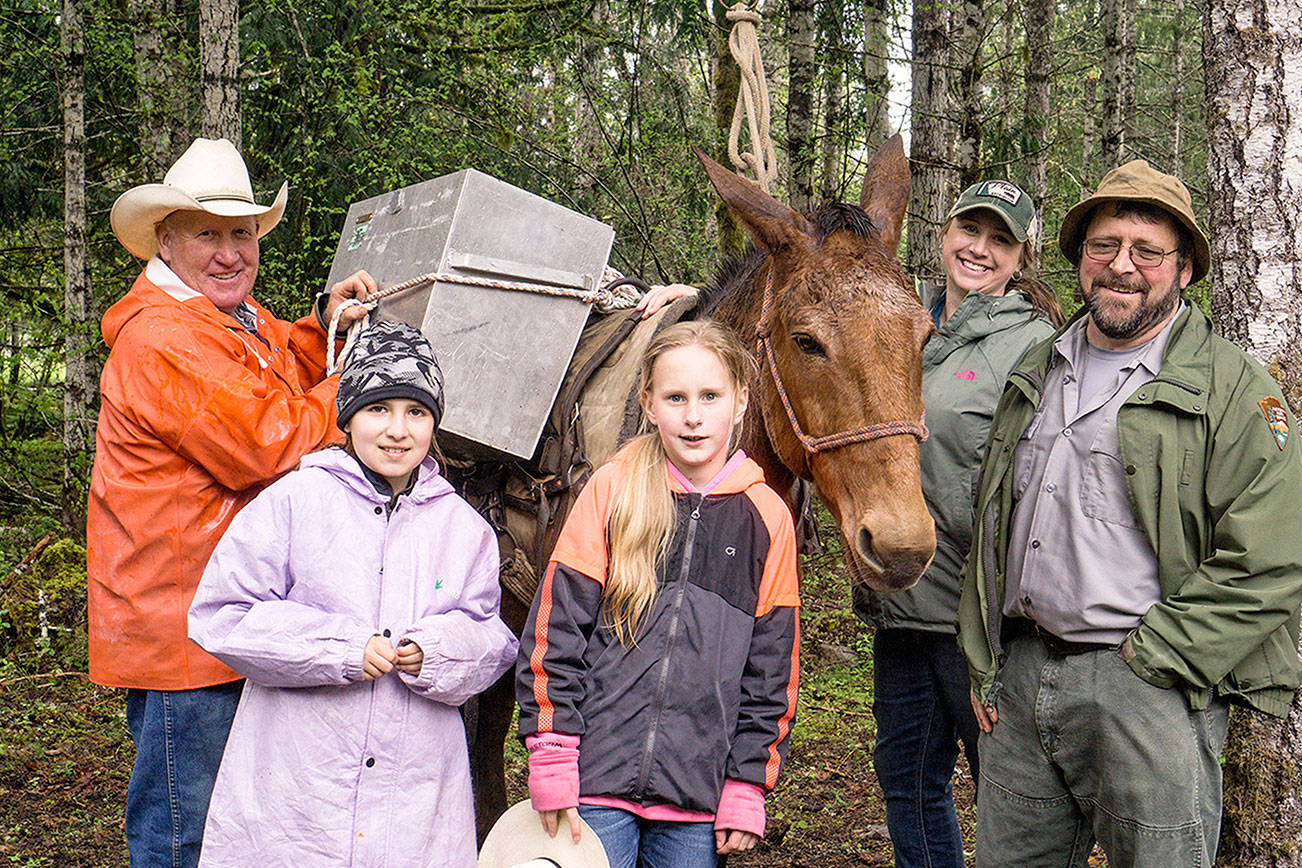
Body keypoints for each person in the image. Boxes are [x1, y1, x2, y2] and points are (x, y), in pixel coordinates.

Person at [957, 160, 1302, 866]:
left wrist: (1163, 656)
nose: (1122, 266)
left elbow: (1274, 555)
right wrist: (986, 657)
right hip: (1022, 681)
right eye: (1103, 245)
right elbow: (992, 521)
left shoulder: (1233, 390)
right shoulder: (1037, 365)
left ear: (1184, 271)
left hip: (1147, 691)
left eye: (1147, 251)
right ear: (1080, 258)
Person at [86, 137, 375, 866]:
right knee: (188, 826)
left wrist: (325, 323)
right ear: (167, 239)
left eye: (240, 234)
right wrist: (369, 384)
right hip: (184, 624)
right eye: (207, 234)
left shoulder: (228, 319)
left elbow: (281, 361)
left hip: (219, 609)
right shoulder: (162, 338)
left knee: (233, 818)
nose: (228, 253)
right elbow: (268, 440)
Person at [188, 321, 519, 866]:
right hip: (301, 787)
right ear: (347, 418)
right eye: (378, 409)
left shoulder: (465, 529)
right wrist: (339, 647)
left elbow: (492, 640)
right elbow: (222, 614)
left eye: (416, 412)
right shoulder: (294, 501)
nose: (398, 430)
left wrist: (435, 652)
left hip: (414, 793)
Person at [516, 320, 800, 868]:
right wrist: (551, 752)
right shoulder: (613, 489)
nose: (693, 416)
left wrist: (748, 784)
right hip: (595, 786)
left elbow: (772, 673)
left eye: (710, 397)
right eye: (676, 398)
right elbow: (556, 632)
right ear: (648, 403)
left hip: (698, 801)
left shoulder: (768, 518)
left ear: (740, 403)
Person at [852, 180, 1062, 868]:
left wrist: (1002, 631)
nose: (979, 249)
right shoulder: (902, 317)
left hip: (977, 624)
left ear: (1020, 257)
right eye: (970, 231)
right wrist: (684, 302)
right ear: (945, 234)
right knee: (908, 782)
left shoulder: (1035, 346)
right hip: (901, 602)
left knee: (1004, 794)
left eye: (1000, 240)